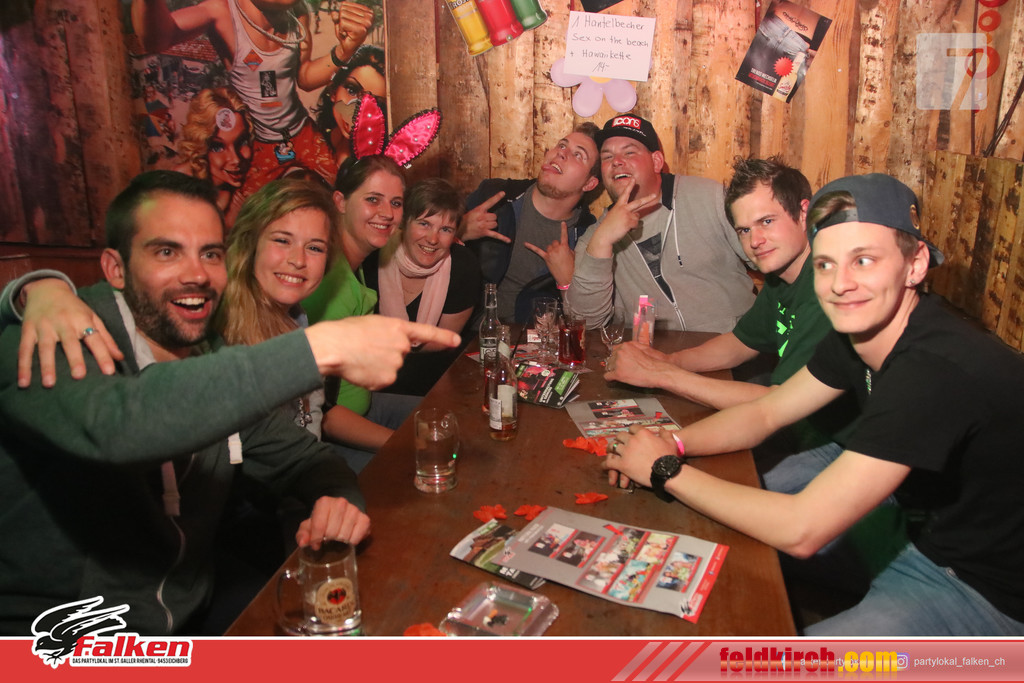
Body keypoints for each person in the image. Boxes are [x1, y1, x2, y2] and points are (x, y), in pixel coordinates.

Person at [0, 170, 459, 635]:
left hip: (190, 605)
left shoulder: (206, 350)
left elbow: (302, 455)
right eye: (166, 252)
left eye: (209, 254)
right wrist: (319, 349)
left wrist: (337, 499)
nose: (196, 274)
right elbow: (121, 426)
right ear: (115, 268)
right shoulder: (43, 342)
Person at [603, 173, 1024, 636]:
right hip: (920, 535)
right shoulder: (858, 333)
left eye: (863, 260)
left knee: (762, 663)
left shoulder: (932, 368)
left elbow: (802, 528)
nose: (840, 284)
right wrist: (674, 443)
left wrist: (665, 469)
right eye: (825, 264)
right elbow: (768, 411)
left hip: (983, 593)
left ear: (915, 264)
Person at [604, 157, 850, 450]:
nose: (755, 241)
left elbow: (777, 403)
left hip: (836, 447)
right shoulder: (782, 275)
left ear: (803, 213)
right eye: (744, 230)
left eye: (766, 221)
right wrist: (669, 361)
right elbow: (740, 343)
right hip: (804, 431)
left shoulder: (829, 289)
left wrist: (662, 375)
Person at [131, 0, 375, 195]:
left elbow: (304, 77)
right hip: (257, 144)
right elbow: (156, 39)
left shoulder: (297, 12)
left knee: (338, 197)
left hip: (302, 134)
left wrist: (345, 51)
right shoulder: (222, 10)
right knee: (251, 221)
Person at [572, 115, 756, 332]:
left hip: (739, 342)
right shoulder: (594, 237)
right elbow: (586, 323)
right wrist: (602, 241)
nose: (616, 161)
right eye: (607, 156)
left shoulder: (710, 197)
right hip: (657, 351)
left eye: (629, 152)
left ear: (657, 162)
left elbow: (770, 258)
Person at [302, 155, 420, 471]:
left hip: (363, 407)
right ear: (340, 202)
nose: (387, 213)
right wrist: (400, 445)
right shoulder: (329, 280)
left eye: (396, 203)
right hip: (329, 436)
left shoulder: (353, 259)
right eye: (373, 200)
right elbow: (320, 412)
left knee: (442, 416)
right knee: (417, 466)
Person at [461, 123, 601, 323]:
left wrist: (568, 281)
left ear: (589, 183)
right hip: (467, 334)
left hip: (532, 339)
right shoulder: (494, 197)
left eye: (578, 155)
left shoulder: (586, 237)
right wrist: (459, 231)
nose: (561, 153)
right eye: (562, 145)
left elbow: (586, 322)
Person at [363, 178, 481, 395]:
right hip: (369, 382)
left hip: (432, 385)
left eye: (445, 229)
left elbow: (444, 339)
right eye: (424, 224)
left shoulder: (463, 266)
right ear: (405, 222)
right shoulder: (371, 258)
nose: (432, 239)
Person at [175, 87, 253, 226]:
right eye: (218, 147)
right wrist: (228, 226)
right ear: (201, 147)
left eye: (242, 142)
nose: (235, 159)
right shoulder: (178, 183)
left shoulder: (245, 187)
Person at [314, 44, 387, 170]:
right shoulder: (312, 140)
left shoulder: (379, 166)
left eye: (375, 103)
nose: (358, 111)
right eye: (352, 90)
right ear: (334, 90)